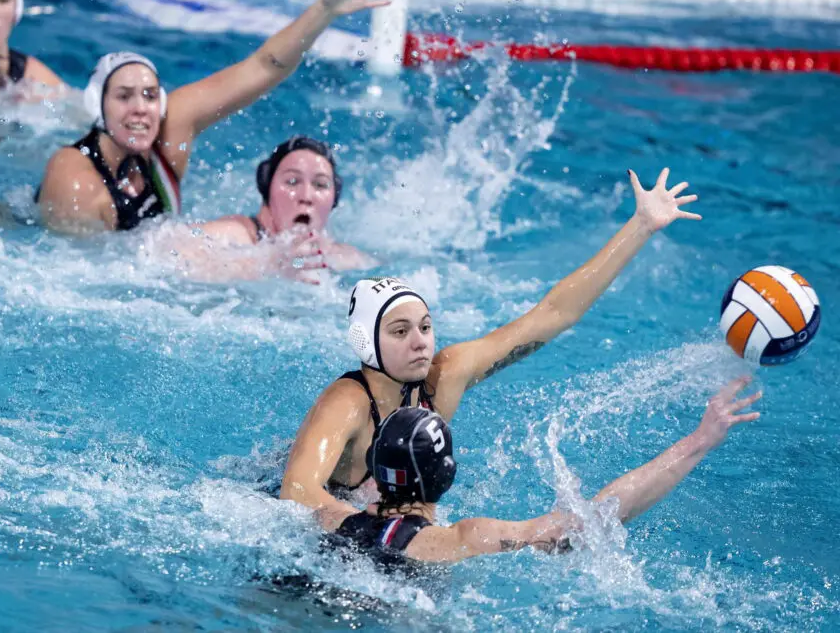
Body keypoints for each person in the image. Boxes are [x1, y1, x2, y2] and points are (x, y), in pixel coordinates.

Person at [279, 169, 701, 517]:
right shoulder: (347, 402)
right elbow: (296, 493)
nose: (420, 342)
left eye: (425, 327)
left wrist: (641, 226)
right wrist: (386, 531)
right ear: (366, 343)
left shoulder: (444, 377)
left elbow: (551, 316)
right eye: (400, 331)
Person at [34, 0, 398, 234]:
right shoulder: (76, 181)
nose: (140, 108)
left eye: (148, 95)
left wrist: (326, 10)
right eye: (123, 97)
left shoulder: (170, 128)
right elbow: (82, 276)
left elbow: (264, 65)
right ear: (99, 108)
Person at [317, 378, 760, 565]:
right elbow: (596, 517)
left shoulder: (329, 514)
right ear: (447, 476)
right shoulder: (462, 538)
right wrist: (700, 440)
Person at [180, 136, 374, 282]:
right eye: (292, 181)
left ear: (334, 199)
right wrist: (271, 264)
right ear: (267, 189)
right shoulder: (238, 234)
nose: (306, 196)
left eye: (320, 185)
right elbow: (174, 255)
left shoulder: (340, 256)